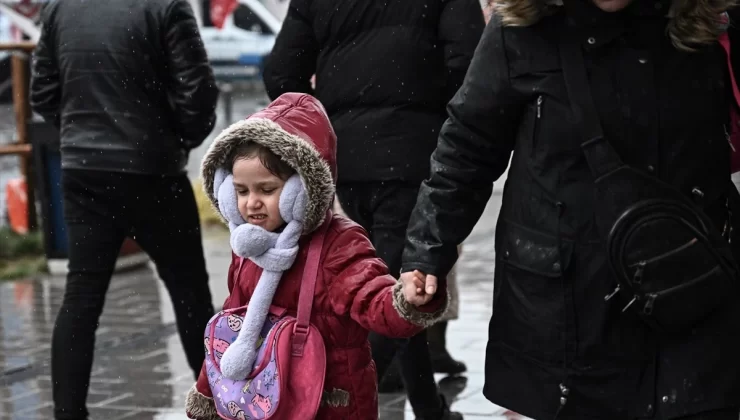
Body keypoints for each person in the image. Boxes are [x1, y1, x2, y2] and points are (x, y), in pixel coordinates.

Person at [399, 0, 740, 419]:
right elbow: (468, 147)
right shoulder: (521, 30)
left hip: (689, 303)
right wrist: (428, 250)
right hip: (565, 313)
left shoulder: (708, 29)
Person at [261, 0, 483, 414]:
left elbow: (281, 73)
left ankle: (428, 407)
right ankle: (328, 401)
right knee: (400, 290)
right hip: (416, 155)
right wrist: (433, 115)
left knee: (395, 282)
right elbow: (469, 65)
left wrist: (327, 122)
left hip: (347, 158)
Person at [185, 92, 448, 420]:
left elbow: (374, 302)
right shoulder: (248, 246)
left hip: (331, 400)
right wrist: (210, 391)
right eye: (240, 191)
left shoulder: (339, 246)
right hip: (264, 397)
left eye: (267, 190)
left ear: (302, 189)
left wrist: (408, 300)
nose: (251, 202)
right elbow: (233, 326)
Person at [29, 0, 219, 418]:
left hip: (86, 171)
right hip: (152, 170)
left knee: (81, 296)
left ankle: (68, 412)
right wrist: (175, 138)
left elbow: (42, 93)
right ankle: (216, 404)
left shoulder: (61, 7)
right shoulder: (165, 6)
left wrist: (82, 135)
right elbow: (199, 93)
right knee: (189, 293)